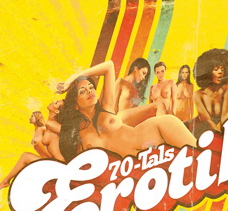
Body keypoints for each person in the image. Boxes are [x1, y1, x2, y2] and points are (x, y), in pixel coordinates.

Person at [56, 60, 196, 162]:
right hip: (137, 166)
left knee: (200, 158)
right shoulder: (77, 134)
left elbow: (109, 66)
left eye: (91, 87)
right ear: (75, 104)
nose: (89, 91)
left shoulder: (106, 108)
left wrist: (75, 77)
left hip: (158, 133)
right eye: (82, 91)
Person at [0, 100, 64, 191]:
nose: (53, 101)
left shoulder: (49, 126)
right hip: (51, 164)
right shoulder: (46, 126)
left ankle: (5, 181)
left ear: (57, 111)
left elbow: (65, 132)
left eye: (56, 103)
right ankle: (6, 181)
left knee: (26, 156)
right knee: (26, 158)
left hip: (58, 167)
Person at [191, 48, 228, 136]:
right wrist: (221, 136)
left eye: (222, 69)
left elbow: (224, 116)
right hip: (193, 131)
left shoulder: (226, 88)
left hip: (210, 135)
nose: (220, 72)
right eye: (216, 69)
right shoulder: (198, 95)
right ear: (208, 73)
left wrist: (227, 135)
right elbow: (207, 121)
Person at [115, 57, 157, 126]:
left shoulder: (136, 90)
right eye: (143, 73)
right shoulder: (121, 82)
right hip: (121, 118)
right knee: (157, 105)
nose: (143, 77)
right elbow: (113, 106)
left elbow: (134, 110)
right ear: (136, 69)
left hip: (130, 122)